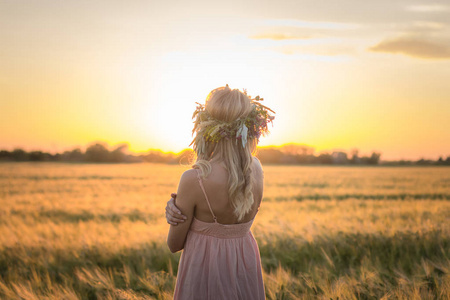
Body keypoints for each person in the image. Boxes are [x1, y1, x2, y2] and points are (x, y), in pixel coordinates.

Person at [165, 84, 275, 299]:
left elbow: (174, 244)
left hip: (203, 273)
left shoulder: (194, 179)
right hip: (244, 266)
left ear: (205, 127)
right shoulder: (256, 169)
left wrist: (174, 213)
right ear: (251, 128)